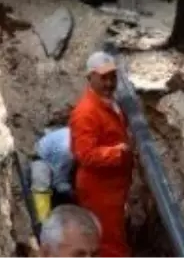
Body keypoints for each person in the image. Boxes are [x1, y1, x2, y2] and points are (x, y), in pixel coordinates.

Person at [69, 52, 134, 258]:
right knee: (109, 246)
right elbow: (84, 154)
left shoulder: (109, 103)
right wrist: (118, 153)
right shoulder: (86, 112)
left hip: (114, 186)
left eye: (112, 77)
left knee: (114, 237)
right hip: (99, 191)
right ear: (90, 78)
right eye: (103, 78)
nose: (109, 83)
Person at [32, 126, 75, 222]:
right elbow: (59, 180)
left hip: (54, 146)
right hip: (42, 157)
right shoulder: (66, 151)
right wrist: (70, 193)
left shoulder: (79, 135)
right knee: (41, 186)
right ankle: (43, 221)